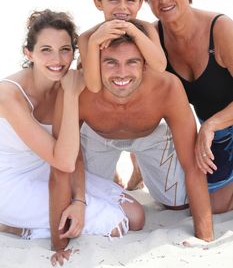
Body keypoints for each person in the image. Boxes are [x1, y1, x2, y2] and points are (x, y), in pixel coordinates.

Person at [51, 23, 214, 264]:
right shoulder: (79, 89)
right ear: (95, 64)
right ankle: (115, 173)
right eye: (110, 62)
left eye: (132, 62)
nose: (121, 73)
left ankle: (139, 167)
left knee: (178, 204)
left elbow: (191, 163)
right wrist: (59, 242)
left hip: (150, 136)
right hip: (97, 138)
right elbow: (66, 159)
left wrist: (205, 238)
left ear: (145, 64)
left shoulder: (167, 86)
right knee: (99, 201)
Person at [0, 10, 144, 257]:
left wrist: (79, 201)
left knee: (136, 215)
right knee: (115, 224)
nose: (57, 59)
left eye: (65, 49)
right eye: (46, 50)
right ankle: (13, 225)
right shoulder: (9, 95)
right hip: (10, 183)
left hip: (51, 171)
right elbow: (63, 159)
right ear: (29, 53)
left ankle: (39, 221)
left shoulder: (64, 82)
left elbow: (71, 153)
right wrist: (70, 95)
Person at [137, 0, 233, 214]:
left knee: (216, 205)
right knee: (204, 202)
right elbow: (144, 99)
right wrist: (137, 165)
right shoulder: (154, 39)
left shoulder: (221, 29)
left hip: (218, 125)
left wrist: (211, 124)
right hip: (216, 134)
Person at [78, 0, 167, 190]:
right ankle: (115, 172)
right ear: (98, 3)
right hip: (104, 121)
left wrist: (133, 32)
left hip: (143, 117)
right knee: (98, 188)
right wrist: (95, 44)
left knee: (174, 202)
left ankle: (138, 168)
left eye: (130, 0)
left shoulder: (146, 29)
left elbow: (159, 67)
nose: (122, 7)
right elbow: (94, 85)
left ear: (140, 3)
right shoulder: (88, 37)